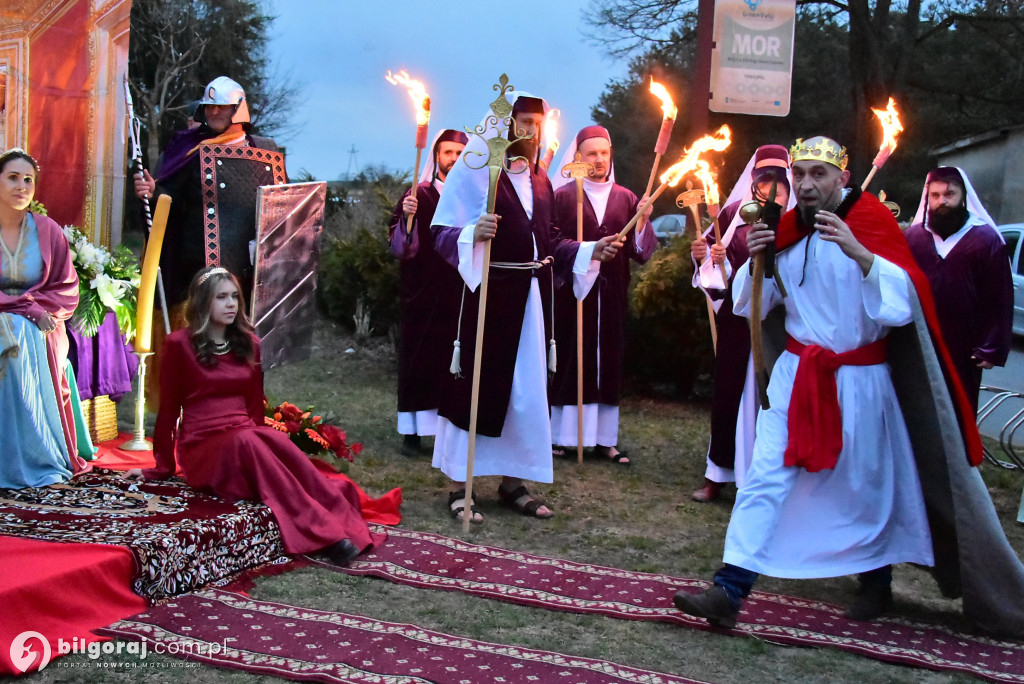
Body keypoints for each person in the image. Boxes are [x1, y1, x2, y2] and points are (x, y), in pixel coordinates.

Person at [673, 136, 1024, 636]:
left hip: (862, 380)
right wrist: (755, 260)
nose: (807, 184)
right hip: (798, 375)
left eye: (819, 174)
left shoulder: (873, 224)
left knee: (866, 485)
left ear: (843, 178)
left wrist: (862, 256)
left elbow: (903, 306)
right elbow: (754, 305)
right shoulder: (785, 230)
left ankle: (875, 582)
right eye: (801, 175)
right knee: (766, 477)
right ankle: (729, 588)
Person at [430, 92, 623, 523]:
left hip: (533, 298)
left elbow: (550, 240)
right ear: (505, 125)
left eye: (536, 124)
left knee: (526, 392)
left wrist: (592, 249)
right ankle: (462, 486)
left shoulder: (540, 180)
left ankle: (513, 483)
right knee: (481, 388)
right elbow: (441, 232)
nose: (530, 133)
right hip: (490, 296)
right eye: (523, 123)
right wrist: (472, 233)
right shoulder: (477, 171)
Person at [124, 267, 375, 565]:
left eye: (234, 297)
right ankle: (326, 535)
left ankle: (335, 517)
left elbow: (255, 405)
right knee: (247, 440)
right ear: (204, 303)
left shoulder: (249, 344)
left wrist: (265, 446)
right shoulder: (179, 344)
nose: (231, 304)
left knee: (268, 441)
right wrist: (162, 467)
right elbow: (167, 411)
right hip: (203, 448)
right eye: (221, 298)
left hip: (243, 439)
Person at [688, 145, 792, 502]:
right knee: (730, 396)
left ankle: (767, 477)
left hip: (779, 328)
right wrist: (708, 258)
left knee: (773, 401)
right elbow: (717, 277)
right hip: (738, 324)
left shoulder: (798, 218)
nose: (773, 188)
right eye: (766, 181)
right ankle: (718, 474)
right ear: (755, 181)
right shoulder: (733, 216)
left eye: (780, 181)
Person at [548, 125, 656, 465]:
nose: (598, 160)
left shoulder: (627, 199)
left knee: (606, 360)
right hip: (572, 293)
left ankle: (605, 439)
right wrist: (588, 250)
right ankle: (562, 436)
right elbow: (551, 242)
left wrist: (642, 223)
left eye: (604, 153)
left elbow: (641, 253)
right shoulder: (563, 196)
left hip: (610, 295)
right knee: (571, 357)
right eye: (591, 153)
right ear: (578, 157)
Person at [0, 148, 88, 488]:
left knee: (21, 330)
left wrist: (33, 310)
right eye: (12, 177)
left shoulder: (48, 231)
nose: (21, 186)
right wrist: (24, 310)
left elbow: (67, 290)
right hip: (26, 320)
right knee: (14, 329)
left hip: (42, 324)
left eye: (28, 180)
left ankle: (39, 453)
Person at [904, 166, 1012, 411]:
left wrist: (991, 347)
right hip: (918, 341)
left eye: (949, 194)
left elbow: (999, 297)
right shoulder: (913, 238)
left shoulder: (986, 240)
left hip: (963, 347)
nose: (942, 201)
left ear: (963, 196)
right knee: (916, 409)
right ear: (927, 197)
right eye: (935, 195)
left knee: (957, 410)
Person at [388, 129, 469, 457]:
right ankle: (413, 431)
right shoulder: (417, 194)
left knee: (454, 360)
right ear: (436, 156)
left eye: (460, 152)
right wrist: (408, 219)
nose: (453, 158)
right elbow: (400, 248)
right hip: (422, 290)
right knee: (420, 358)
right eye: (447, 152)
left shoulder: (472, 198)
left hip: (460, 289)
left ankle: (449, 428)